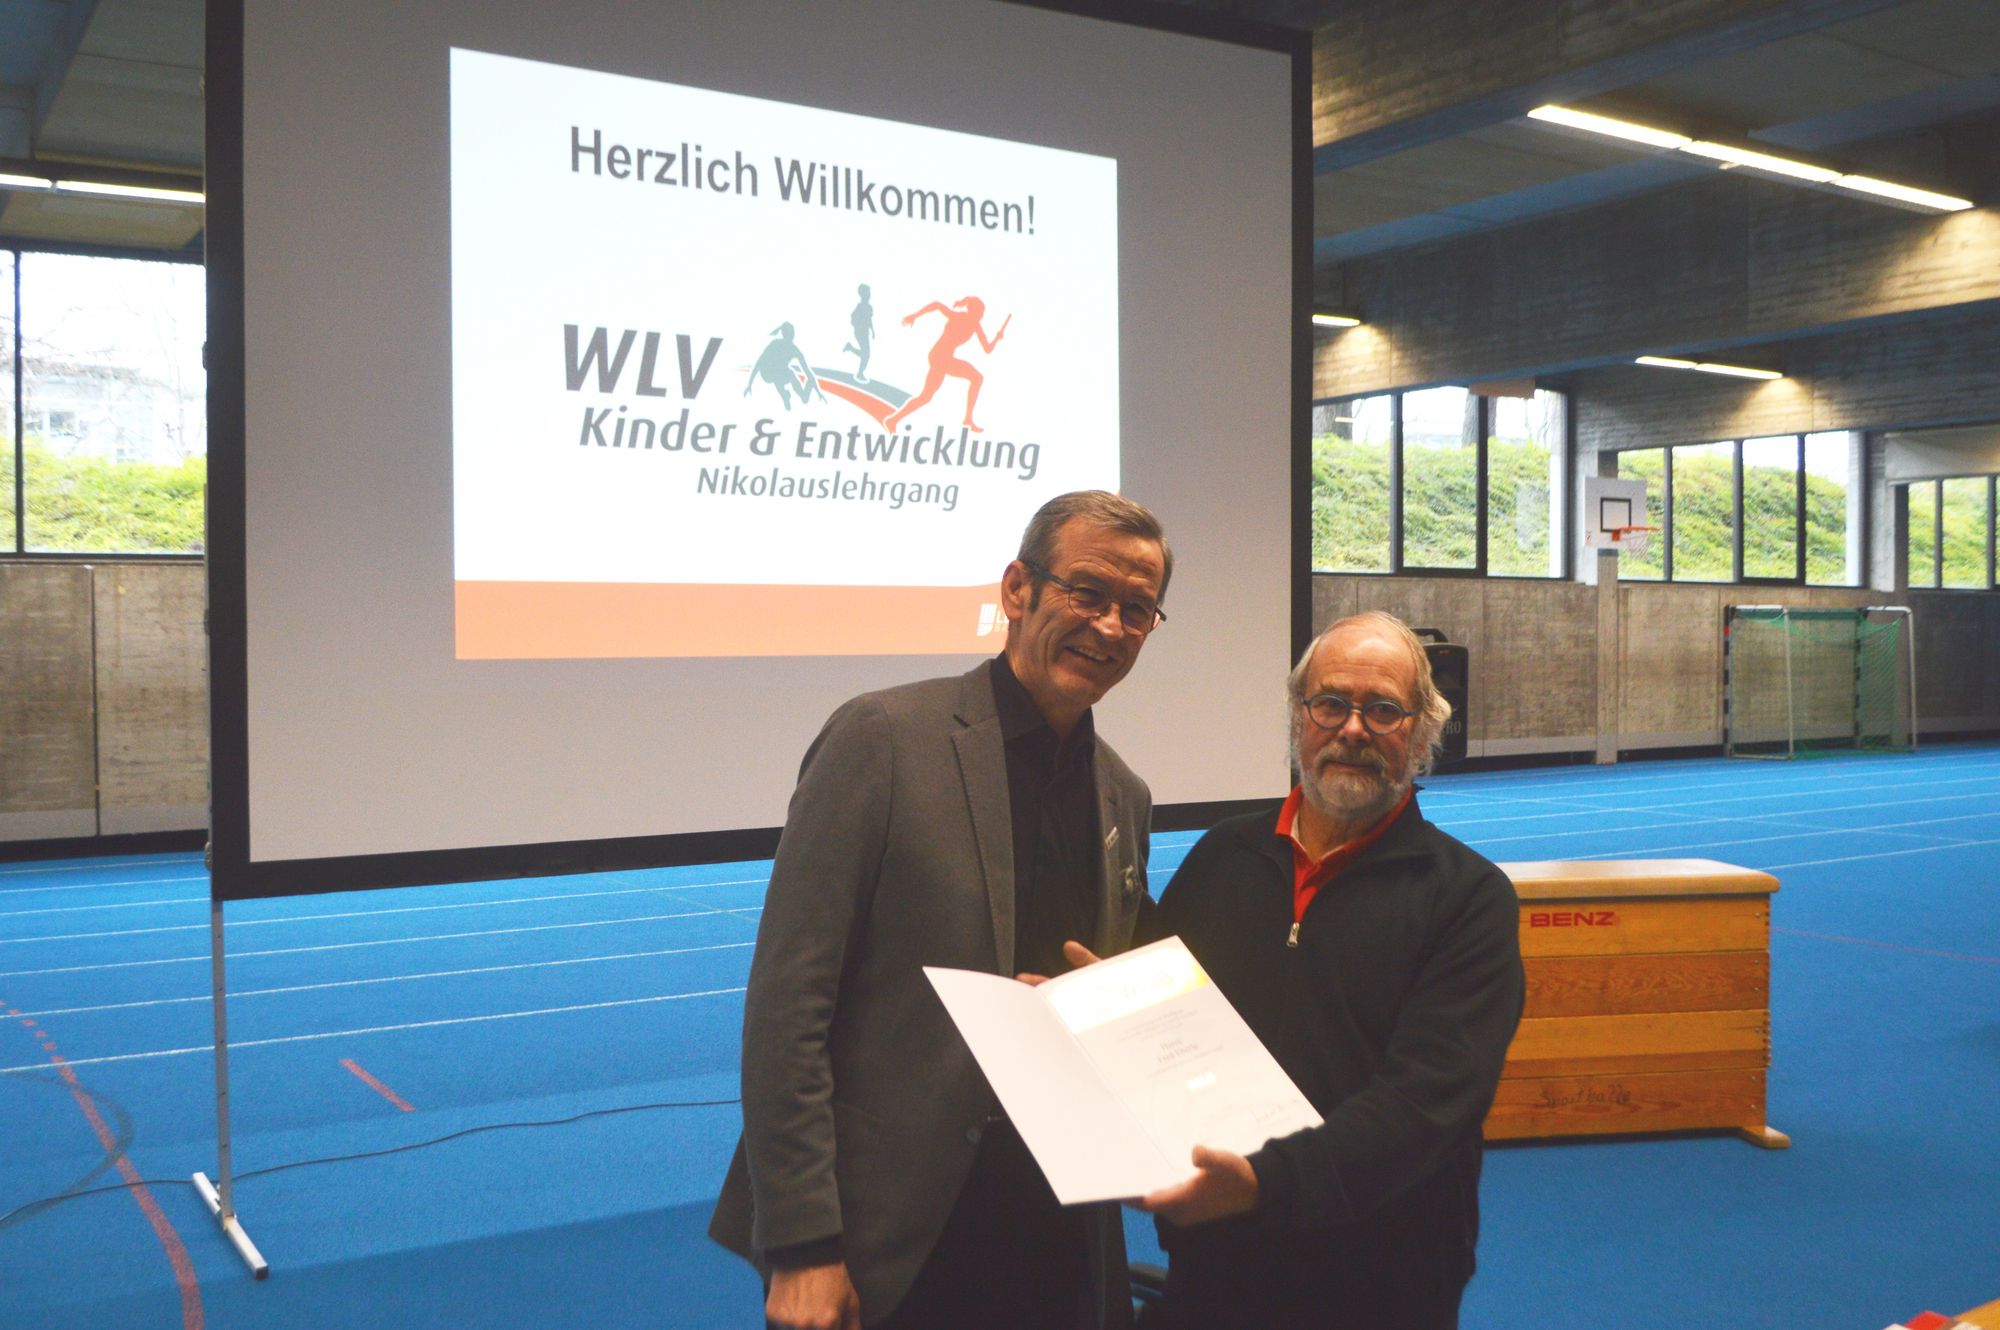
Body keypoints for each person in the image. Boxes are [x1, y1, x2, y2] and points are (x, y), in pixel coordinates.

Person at [711, 490, 1174, 1330]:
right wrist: (804, 1245)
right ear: (1016, 589)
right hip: (893, 1233)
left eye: (1136, 608)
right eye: (1087, 592)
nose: (1109, 626)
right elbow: (788, 1008)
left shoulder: (1123, 794)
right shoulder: (883, 740)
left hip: (1057, 1234)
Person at [1135, 611, 1523, 1330]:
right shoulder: (1221, 858)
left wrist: (1264, 1183)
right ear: (1298, 715)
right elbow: (1159, 1018)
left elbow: (1425, 1104)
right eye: (1331, 704)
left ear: (1422, 732)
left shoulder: (1469, 899)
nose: (1353, 729)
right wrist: (1087, 1005)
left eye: (1383, 710)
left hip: (1382, 1278)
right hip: (1216, 1256)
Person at [882, 295, 1009, 433]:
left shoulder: (975, 325)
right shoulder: (961, 318)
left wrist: (997, 338)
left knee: (926, 397)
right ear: (974, 311)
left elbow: (987, 349)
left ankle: (893, 420)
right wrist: (915, 315)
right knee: (976, 378)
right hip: (940, 357)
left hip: (943, 358)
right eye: (981, 313)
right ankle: (967, 418)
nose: (982, 316)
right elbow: (937, 305)